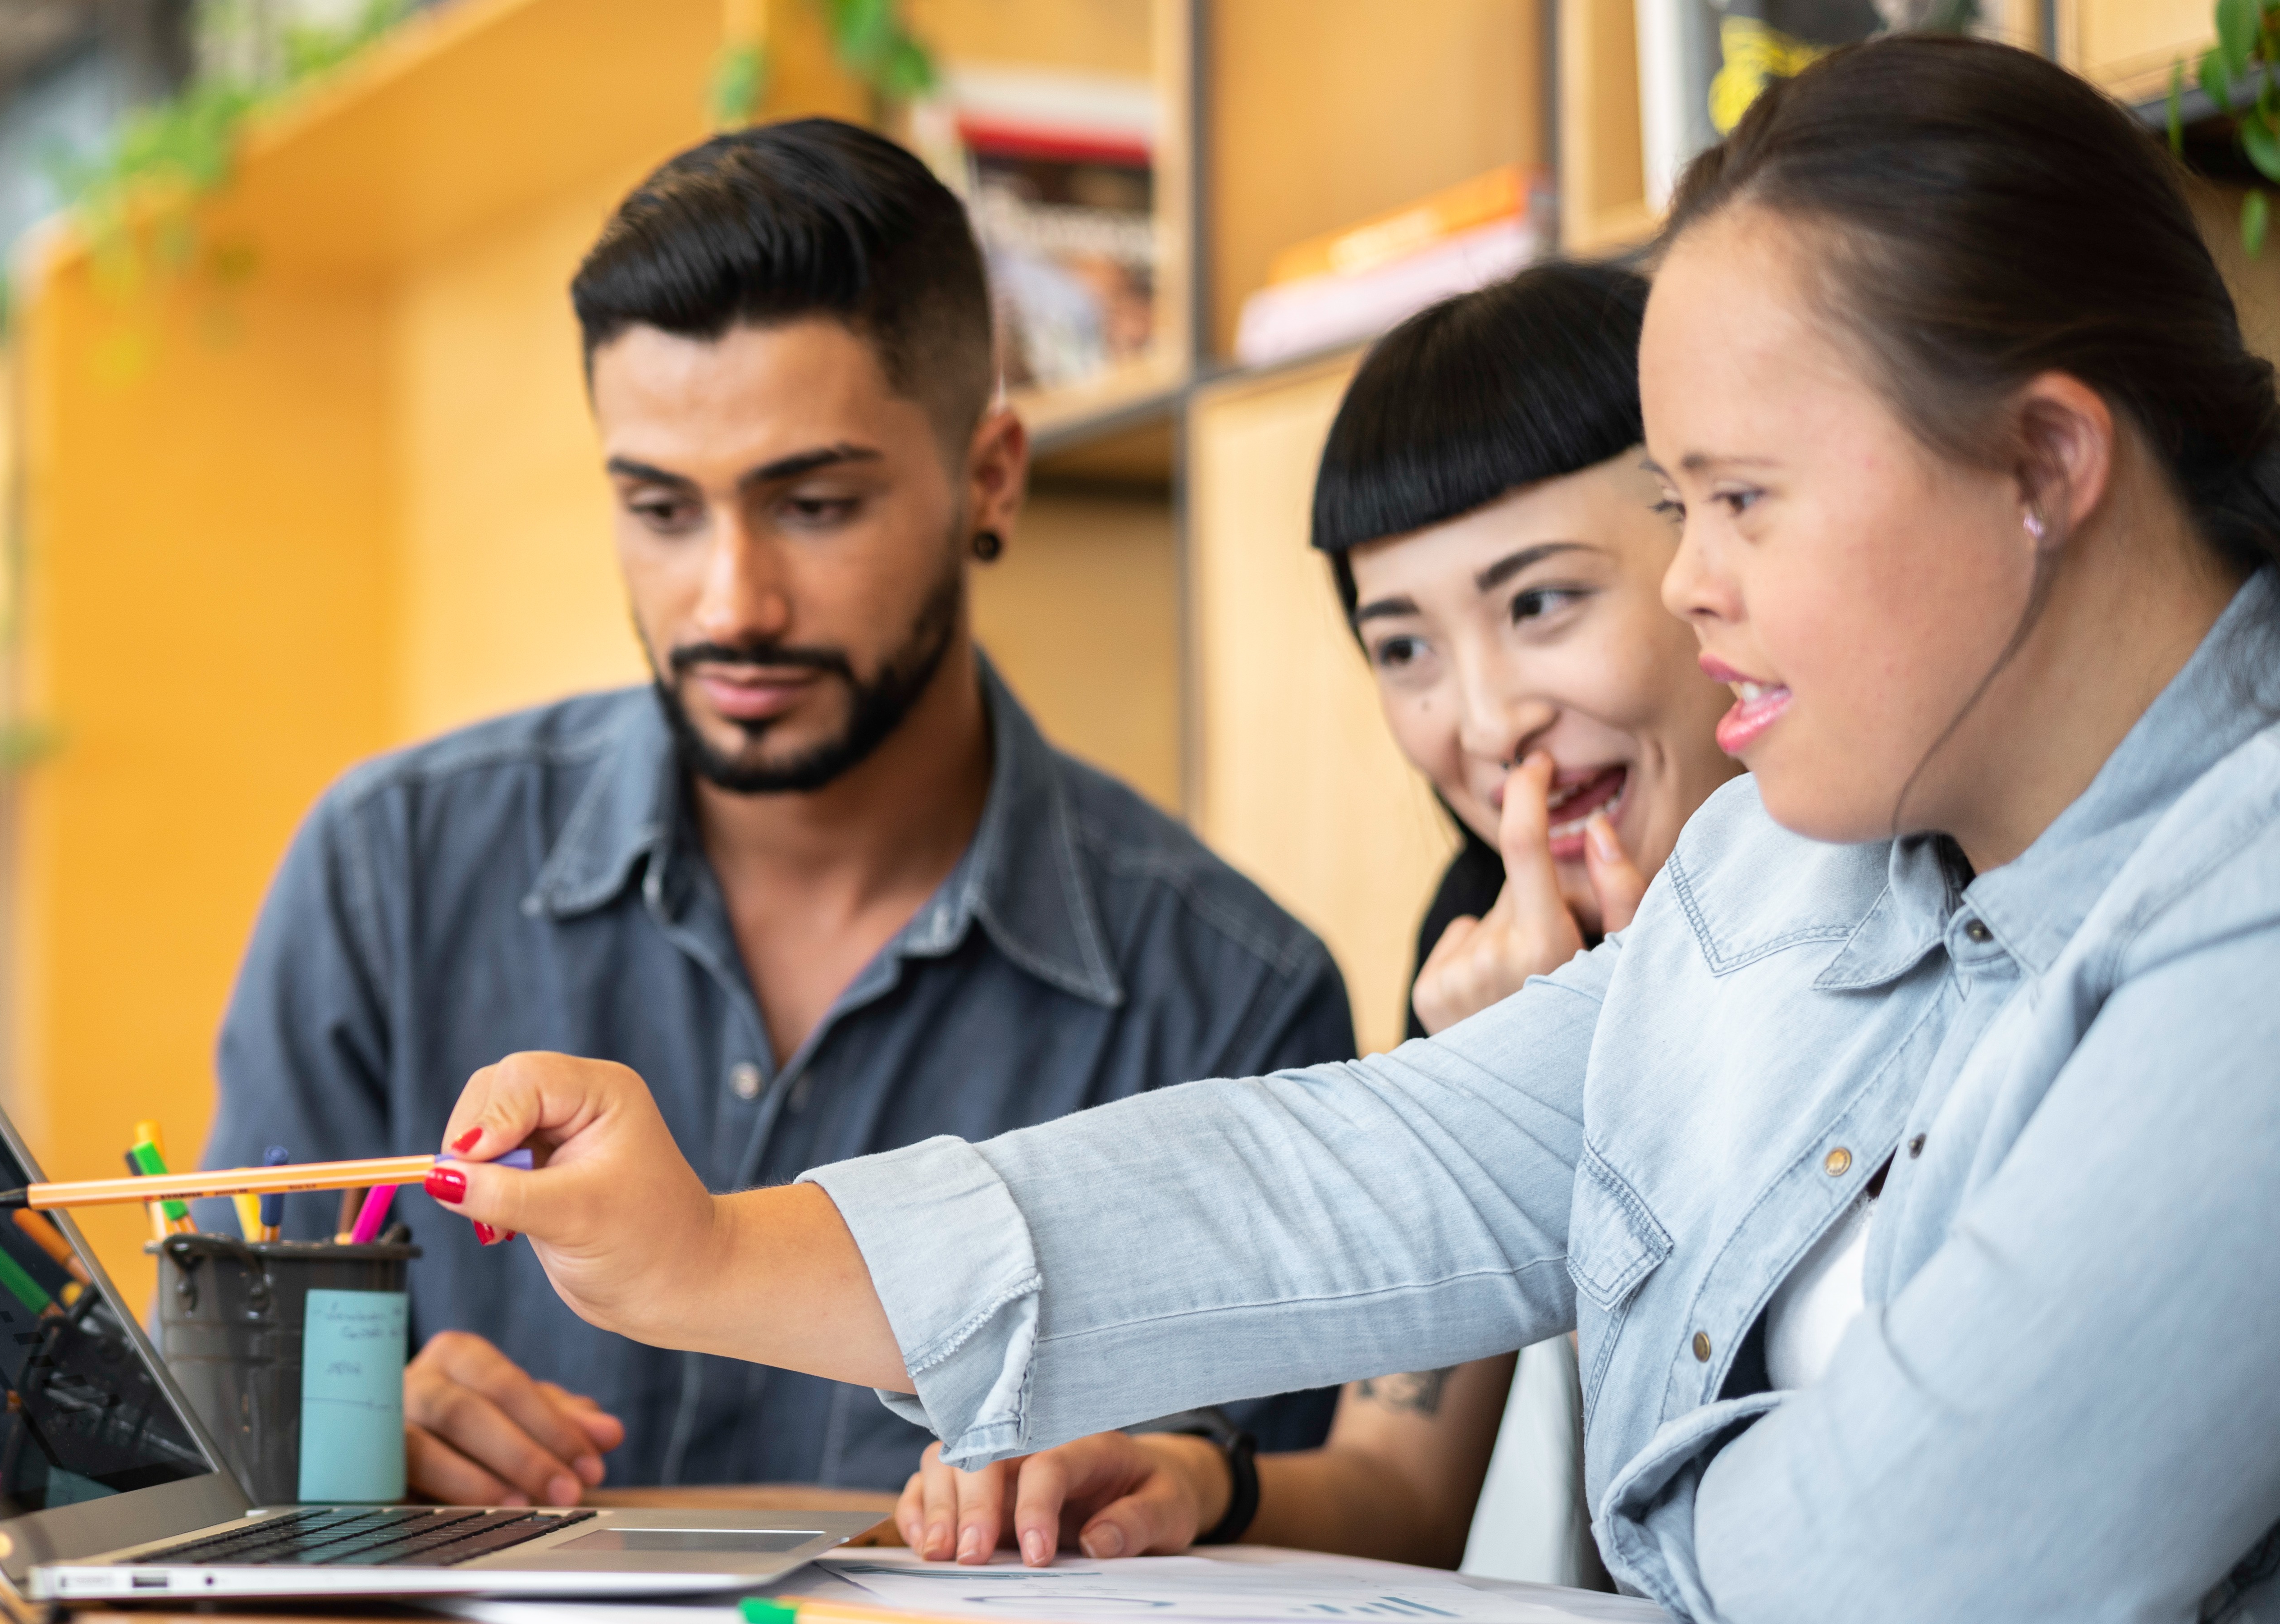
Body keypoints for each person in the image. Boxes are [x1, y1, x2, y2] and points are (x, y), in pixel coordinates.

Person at [424, 37, 2280, 1618]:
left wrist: (1629, 1516)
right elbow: (1342, 1175)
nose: (1692, 586)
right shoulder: (1788, 865)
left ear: (2043, 462)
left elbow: (1898, 1572)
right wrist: (707, 1254)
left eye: (1736, 500)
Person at [199, 117, 1360, 1507]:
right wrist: (333, 1435)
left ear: (990, 474)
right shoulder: (388, 873)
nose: (730, 603)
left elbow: (1266, 1535)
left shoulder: (1230, 1003)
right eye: (661, 510)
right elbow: (204, 1424)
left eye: (811, 504)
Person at [898, 264, 1747, 1575]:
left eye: (1539, 603)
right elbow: (1401, 1482)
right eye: (1404, 646)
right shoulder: (1484, 934)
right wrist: (1192, 1476)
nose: (1480, 720)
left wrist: (1613, 1085)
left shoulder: (1877, 891)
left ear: (1718, 550)